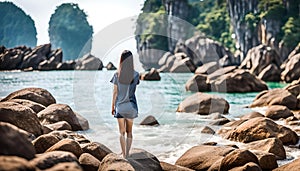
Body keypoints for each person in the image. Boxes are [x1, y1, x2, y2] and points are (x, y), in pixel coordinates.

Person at [110, 50, 139, 158]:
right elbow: (134, 89)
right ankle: (128, 153)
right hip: (131, 107)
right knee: (129, 132)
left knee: (121, 133)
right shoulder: (136, 74)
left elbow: (115, 92)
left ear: (121, 60)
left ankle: (124, 156)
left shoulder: (117, 75)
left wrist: (112, 106)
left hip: (120, 107)